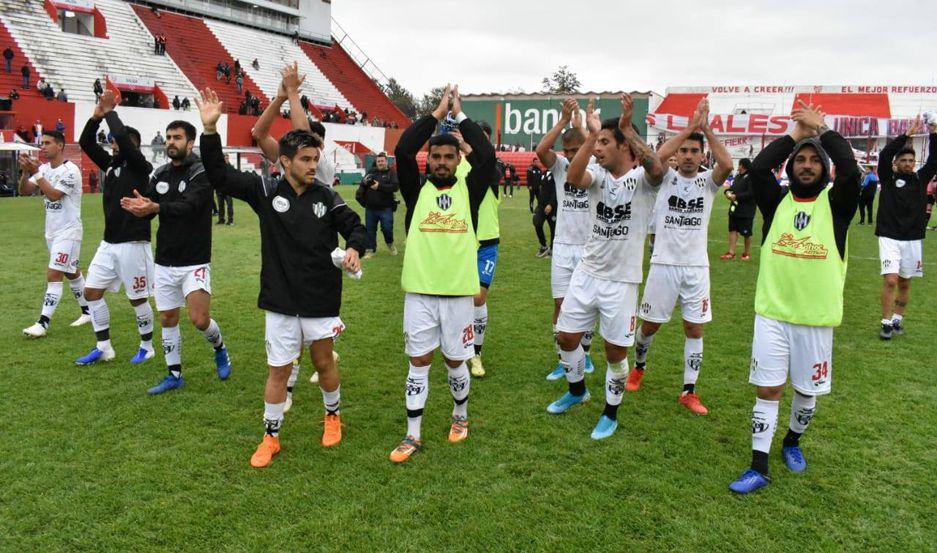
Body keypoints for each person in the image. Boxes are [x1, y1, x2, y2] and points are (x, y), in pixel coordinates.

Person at [197, 87, 366, 468]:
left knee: (324, 363)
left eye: (315, 158)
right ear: (284, 161)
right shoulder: (265, 190)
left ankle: (332, 416)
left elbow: (355, 225)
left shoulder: (326, 195)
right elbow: (220, 176)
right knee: (278, 370)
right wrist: (209, 131)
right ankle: (270, 438)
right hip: (280, 299)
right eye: (305, 159)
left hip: (321, 296)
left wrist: (354, 248)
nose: (312, 165)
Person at [729, 101, 860, 494]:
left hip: (815, 320)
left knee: (806, 392)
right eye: (799, 160)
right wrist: (796, 135)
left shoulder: (836, 207)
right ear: (791, 166)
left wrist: (822, 131)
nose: (805, 165)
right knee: (767, 390)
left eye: (813, 161)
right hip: (772, 314)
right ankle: (758, 466)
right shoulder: (776, 204)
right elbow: (756, 169)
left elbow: (851, 171)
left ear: (823, 169)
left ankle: (792, 442)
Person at [545, 95, 665, 441]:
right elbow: (573, 176)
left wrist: (627, 128)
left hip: (621, 282)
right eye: (596, 142)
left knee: (614, 352)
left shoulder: (643, 180)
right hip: (587, 273)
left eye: (604, 142)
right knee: (566, 336)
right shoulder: (596, 177)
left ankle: (610, 413)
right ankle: (578, 390)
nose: (596, 148)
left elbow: (657, 168)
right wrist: (589, 138)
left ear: (625, 146)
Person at [389, 84, 496, 463]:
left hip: (456, 295)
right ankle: (412, 434)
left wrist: (460, 115)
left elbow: (486, 155)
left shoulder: (471, 190)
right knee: (418, 362)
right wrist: (436, 114)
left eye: (448, 157)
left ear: (456, 161)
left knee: (454, 361)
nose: (441, 162)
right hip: (419, 292)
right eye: (435, 156)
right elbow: (403, 149)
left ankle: (460, 416)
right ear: (428, 159)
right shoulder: (416, 191)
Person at [628, 99, 732, 415]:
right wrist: (689, 128)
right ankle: (639, 366)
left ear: (702, 155)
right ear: (678, 153)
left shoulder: (707, 183)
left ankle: (689, 390)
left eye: (694, 151)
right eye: (683, 151)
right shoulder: (664, 178)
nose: (688, 156)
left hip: (696, 268)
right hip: (663, 265)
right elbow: (655, 157)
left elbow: (726, 165)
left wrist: (705, 129)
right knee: (649, 327)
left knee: (694, 329)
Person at [120, 119, 232, 395]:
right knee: (168, 319)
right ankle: (174, 374)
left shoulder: (201, 173)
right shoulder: (159, 175)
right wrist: (139, 205)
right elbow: (147, 201)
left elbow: (191, 206)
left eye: (177, 137)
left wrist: (156, 207)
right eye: (168, 137)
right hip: (165, 260)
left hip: (194, 260)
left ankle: (220, 348)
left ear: (190, 143)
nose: (171, 141)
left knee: (198, 319)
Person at [74, 90, 157, 366]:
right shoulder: (111, 166)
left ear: (134, 145)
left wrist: (111, 112)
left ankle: (147, 346)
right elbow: (85, 142)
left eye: (119, 142)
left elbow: (122, 137)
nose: (113, 145)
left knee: (138, 299)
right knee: (91, 293)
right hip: (108, 244)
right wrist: (97, 117)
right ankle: (104, 347)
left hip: (134, 244)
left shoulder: (141, 166)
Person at [537, 98, 597, 381]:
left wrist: (583, 128)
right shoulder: (560, 166)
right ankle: (563, 359)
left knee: (585, 304)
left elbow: (596, 145)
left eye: (577, 150)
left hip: (589, 247)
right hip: (562, 246)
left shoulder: (596, 166)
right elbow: (540, 150)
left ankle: (584, 356)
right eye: (569, 150)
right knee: (560, 304)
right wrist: (563, 122)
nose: (573, 155)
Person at [18, 131, 92, 337]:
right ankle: (88, 311)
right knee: (71, 272)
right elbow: (24, 191)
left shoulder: (70, 170)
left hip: (69, 231)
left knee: (54, 274)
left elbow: (53, 195)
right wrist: (26, 172)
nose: (43, 147)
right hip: (52, 231)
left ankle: (42, 323)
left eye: (48, 143)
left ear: (60, 145)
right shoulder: (42, 169)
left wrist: (37, 173)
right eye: (42, 143)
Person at [875, 116, 937, 339]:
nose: (908, 164)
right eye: (904, 160)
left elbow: (934, 159)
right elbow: (884, 155)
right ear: (896, 163)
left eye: (911, 160)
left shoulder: (921, 179)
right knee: (890, 280)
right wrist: (906, 136)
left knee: (904, 281)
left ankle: (897, 319)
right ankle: (885, 323)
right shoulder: (888, 178)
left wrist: (934, 134)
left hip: (912, 238)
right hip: (889, 236)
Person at [465, 120, 503, 378]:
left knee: (478, 297)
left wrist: (470, 150)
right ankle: (460, 345)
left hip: (487, 242)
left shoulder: (494, 167)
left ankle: (476, 353)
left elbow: (488, 168)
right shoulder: (456, 166)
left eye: (483, 138)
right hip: (461, 242)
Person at [356, 152, 399, 257]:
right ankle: (371, 250)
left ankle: (390, 245)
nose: (380, 163)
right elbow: (363, 184)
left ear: (386, 161)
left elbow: (395, 187)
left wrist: (380, 186)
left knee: (387, 229)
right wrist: (363, 184)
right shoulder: (371, 172)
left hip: (386, 208)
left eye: (382, 161)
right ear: (376, 162)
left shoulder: (391, 172)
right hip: (370, 208)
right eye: (378, 161)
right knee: (370, 231)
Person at [722, 158, 756, 260]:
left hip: (746, 210)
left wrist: (736, 197)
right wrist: (727, 192)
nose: (738, 166)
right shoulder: (737, 177)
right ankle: (731, 252)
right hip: (734, 209)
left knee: (746, 233)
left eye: (739, 164)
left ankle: (746, 253)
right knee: (732, 229)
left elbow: (751, 193)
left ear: (742, 165)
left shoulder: (752, 178)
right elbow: (732, 189)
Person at [529, 158, 556, 257]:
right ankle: (544, 245)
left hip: (552, 207)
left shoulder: (557, 174)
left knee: (553, 229)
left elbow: (556, 191)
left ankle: (553, 249)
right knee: (537, 221)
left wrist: (551, 204)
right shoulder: (544, 173)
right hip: (541, 205)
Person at [216, 154, 234, 225]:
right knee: (220, 205)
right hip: (220, 189)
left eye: (227, 158)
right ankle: (221, 220)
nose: (227, 159)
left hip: (228, 189)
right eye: (225, 158)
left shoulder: (231, 167)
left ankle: (230, 220)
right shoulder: (219, 167)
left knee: (229, 205)